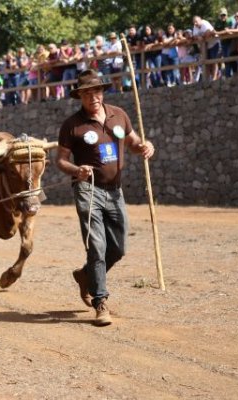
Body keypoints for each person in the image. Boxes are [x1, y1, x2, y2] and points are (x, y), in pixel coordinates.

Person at [56, 69, 155, 327]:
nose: (93, 97)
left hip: (115, 190)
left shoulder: (119, 116)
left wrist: (145, 146)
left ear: (102, 92)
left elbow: (133, 143)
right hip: (87, 190)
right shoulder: (72, 125)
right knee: (96, 247)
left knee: (119, 248)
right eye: (87, 93)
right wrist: (77, 169)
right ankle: (100, 301)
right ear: (79, 96)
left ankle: (85, 275)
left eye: (96, 91)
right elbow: (61, 161)